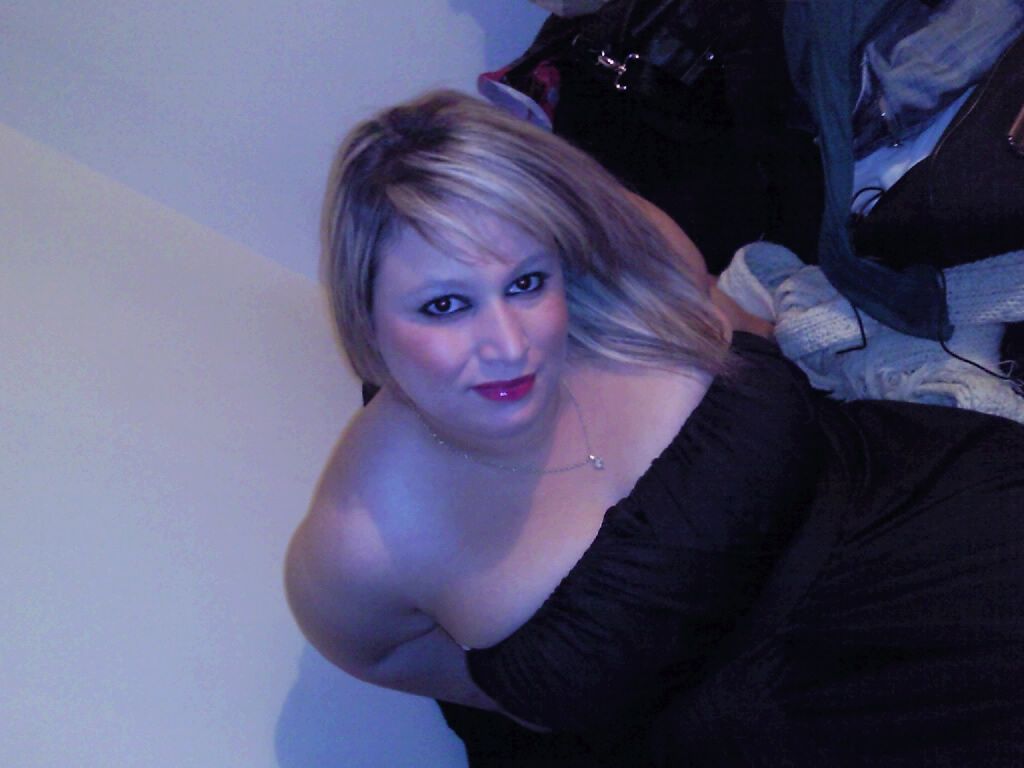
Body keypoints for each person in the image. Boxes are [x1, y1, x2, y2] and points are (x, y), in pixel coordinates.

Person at [284, 89, 1024, 766]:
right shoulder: (358, 544)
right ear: (367, 316)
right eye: (445, 305)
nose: (508, 345)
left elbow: (743, 336)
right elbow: (385, 657)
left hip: (926, 517)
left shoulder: (631, 267)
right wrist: (558, 693)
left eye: (526, 282)